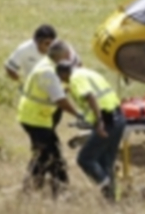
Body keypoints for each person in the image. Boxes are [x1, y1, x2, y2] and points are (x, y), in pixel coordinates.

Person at [17, 39, 84, 197]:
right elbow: (60, 100)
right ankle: (54, 190)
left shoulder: (50, 66)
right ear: (62, 55)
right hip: (35, 118)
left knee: (46, 154)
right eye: (68, 54)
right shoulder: (48, 72)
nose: (70, 57)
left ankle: (40, 188)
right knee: (49, 155)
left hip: (39, 117)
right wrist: (79, 115)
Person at [55, 62, 126, 203]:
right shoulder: (87, 72)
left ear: (63, 74)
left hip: (106, 121)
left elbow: (90, 96)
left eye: (61, 78)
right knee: (106, 161)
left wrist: (99, 122)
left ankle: (105, 184)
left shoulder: (75, 79)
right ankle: (112, 201)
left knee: (85, 158)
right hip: (119, 117)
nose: (62, 81)